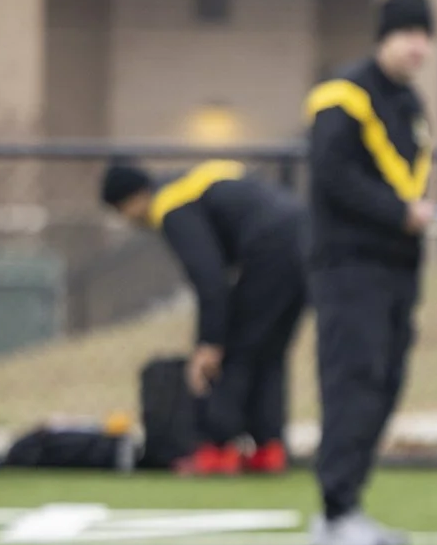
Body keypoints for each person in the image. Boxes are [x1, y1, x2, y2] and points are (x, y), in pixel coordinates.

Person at [306, 0, 437, 545]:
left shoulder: (410, 105)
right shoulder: (343, 95)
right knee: (352, 382)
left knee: (384, 384)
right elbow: (332, 174)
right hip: (349, 264)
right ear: (384, 36)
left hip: (396, 267)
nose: (417, 47)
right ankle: (334, 512)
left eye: (425, 35)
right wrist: (397, 212)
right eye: (407, 34)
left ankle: (352, 503)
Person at [101, 158, 309, 476]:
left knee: (237, 349)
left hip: (271, 250)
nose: (130, 221)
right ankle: (269, 447)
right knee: (268, 352)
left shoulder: (170, 204)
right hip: (307, 242)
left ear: (132, 198)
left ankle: (216, 448)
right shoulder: (196, 180)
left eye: (122, 212)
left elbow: (209, 278)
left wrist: (209, 342)